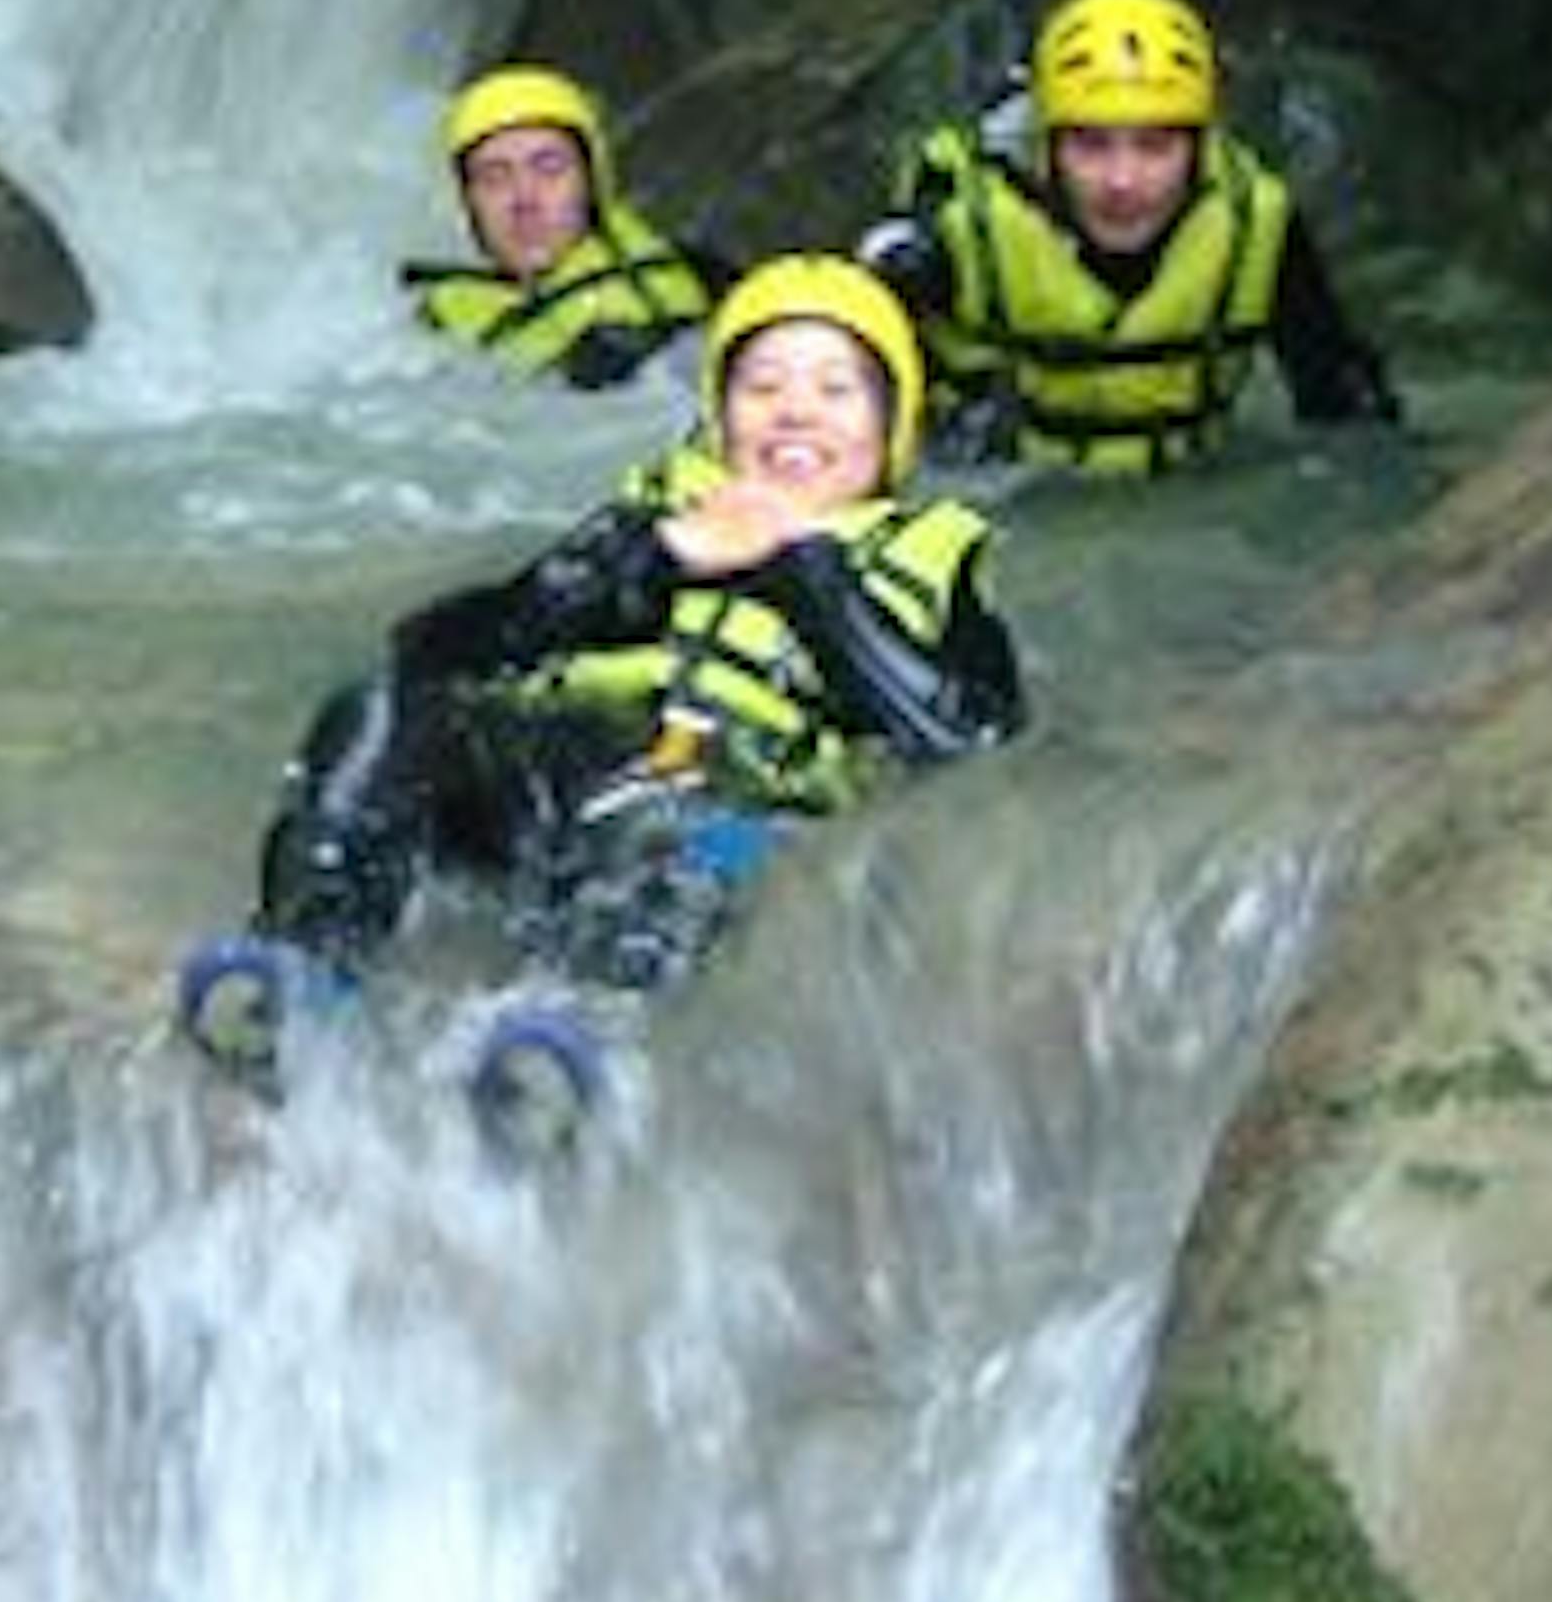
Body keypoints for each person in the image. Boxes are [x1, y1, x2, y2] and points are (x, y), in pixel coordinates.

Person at [180, 256, 1024, 1099]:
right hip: (558, 773)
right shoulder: (658, 521)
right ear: (720, 417)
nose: (795, 411)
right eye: (761, 387)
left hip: (728, 800)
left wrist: (804, 581)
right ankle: (310, 961)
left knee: (683, 852)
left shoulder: (929, 562)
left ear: (893, 426)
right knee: (380, 710)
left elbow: (971, 734)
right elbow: (439, 648)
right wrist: (624, 576)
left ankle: (572, 1035)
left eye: (837, 391)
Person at [866, 0, 1404, 475]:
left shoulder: (1254, 226)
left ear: (1199, 149)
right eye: (1090, 144)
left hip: (1194, 503)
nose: (1122, 181)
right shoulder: (955, 233)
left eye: (1155, 146)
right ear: (1046, 148)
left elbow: (1345, 409)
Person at [405, 64, 738, 391]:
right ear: (467, 201)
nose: (524, 200)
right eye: (495, 177)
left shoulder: (675, 289)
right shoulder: (431, 320)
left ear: (591, 182)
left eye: (549, 169)